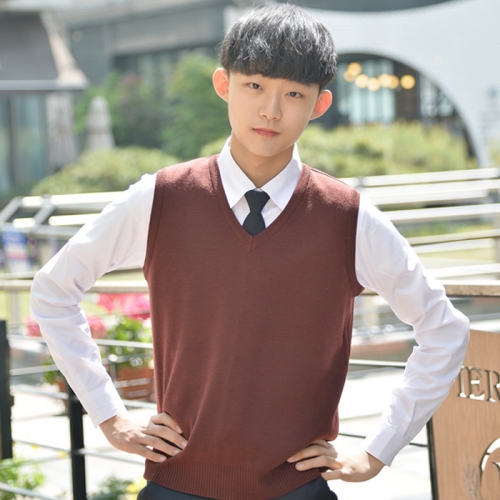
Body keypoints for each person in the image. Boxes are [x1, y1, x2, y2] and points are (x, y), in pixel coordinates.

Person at [30, 4, 469, 499]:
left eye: (293, 94)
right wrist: (110, 415)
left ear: (320, 104)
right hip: (176, 486)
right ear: (224, 84)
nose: (271, 110)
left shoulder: (347, 216)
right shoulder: (162, 198)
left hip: (297, 490)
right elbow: (52, 291)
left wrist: (377, 450)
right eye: (255, 85)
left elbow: (445, 329)